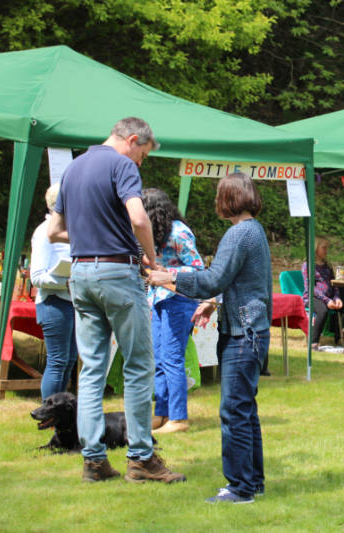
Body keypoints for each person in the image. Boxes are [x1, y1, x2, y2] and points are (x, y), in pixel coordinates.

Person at [48, 117, 185, 484]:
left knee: (92, 369)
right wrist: (151, 258)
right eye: (142, 155)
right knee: (138, 366)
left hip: (80, 275)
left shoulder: (74, 167)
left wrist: (95, 238)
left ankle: (94, 460)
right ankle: (141, 458)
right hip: (117, 276)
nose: (139, 163)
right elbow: (139, 218)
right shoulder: (121, 165)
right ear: (133, 139)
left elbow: (54, 230)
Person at [148, 172, 271, 504]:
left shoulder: (238, 234)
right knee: (245, 410)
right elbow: (238, 283)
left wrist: (166, 277)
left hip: (244, 334)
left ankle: (239, 488)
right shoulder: (253, 231)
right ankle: (252, 482)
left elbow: (213, 278)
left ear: (226, 200)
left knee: (233, 410)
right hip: (252, 330)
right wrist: (212, 303)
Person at [142, 188, 204, 434]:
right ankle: (162, 414)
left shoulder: (179, 232)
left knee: (172, 359)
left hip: (178, 300)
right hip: (158, 299)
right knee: (159, 359)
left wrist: (168, 275)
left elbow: (198, 269)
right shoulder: (154, 233)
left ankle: (179, 418)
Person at [30, 183, 76, 401]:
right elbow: (36, 276)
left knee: (69, 360)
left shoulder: (74, 230)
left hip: (75, 302)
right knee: (58, 361)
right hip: (53, 302)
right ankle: (50, 413)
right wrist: (64, 282)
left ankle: (62, 413)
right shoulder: (43, 233)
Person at [301, 237, 343, 350]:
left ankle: (341, 338)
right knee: (322, 310)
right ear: (315, 249)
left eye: (327, 248)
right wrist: (327, 300)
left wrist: (337, 297)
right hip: (312, 297)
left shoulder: (327, 265)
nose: (326, 251)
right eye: (324, 248)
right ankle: (313, 342)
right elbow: (311, 287)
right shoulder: (308, 265)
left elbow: (334, 284)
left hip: (329, 298)